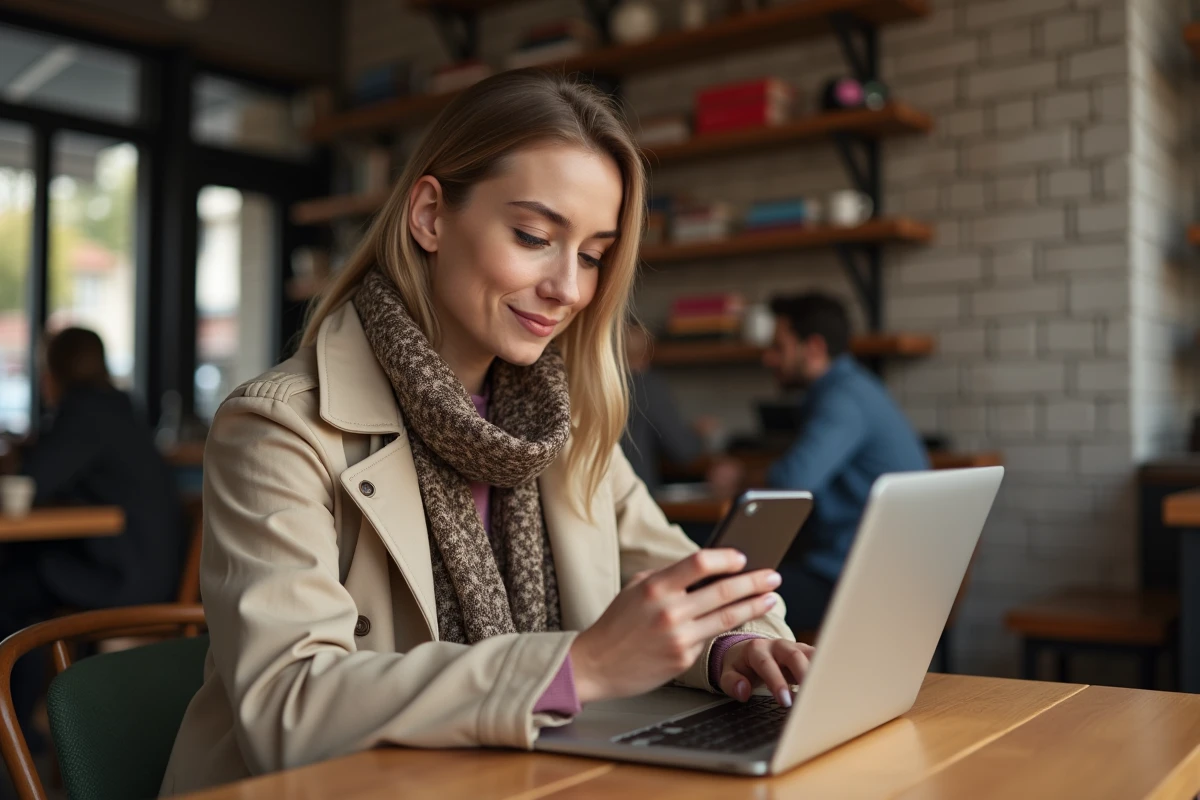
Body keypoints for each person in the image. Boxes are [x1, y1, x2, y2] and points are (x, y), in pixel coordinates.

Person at [160, 71, 811, 796]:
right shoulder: (278, 427)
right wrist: (581, 667)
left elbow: (671, 588)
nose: (568, 287)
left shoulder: (561, 424)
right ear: (431, 216)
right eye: (535, 236)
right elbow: (288, 708)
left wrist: (732, 645)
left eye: (593, 255)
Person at [0, 327, 185, 750]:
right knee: (20, 581)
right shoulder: (119, 408)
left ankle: (19, 737)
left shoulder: (84, 413)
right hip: (152, 570)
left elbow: (32, 485)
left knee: (12, 593)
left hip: (125, 579)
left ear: (53, 372)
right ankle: (27, 732)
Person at [759, 294, 928, 631]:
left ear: (814, 347)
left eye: (779, 346)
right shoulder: (853, 388)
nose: (768, 358)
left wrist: (743, 476)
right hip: (876, 569)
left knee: (728, 600)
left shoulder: (843, 399)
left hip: (859, 581)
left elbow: (788, 485)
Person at [620, 323, 712, 493]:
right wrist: (698, 433)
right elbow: (684, 451)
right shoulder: (647, 386)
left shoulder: (586, 386)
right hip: (631, 499)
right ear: (646, 356)